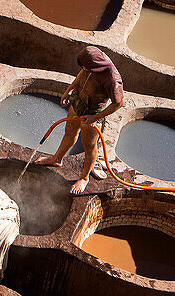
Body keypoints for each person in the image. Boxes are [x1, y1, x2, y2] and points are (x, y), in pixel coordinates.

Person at [35, 46, 125, 194]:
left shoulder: (112, 78)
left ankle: (84, 178)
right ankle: (57, 159)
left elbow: (119, 103)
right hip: (78, 102)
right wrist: (68, 91)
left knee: (89, 146)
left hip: (93, 112)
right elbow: (81, 75)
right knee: (69, 132)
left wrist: (95, 117)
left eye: (85, 67)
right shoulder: (90, 66)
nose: (83, 68)